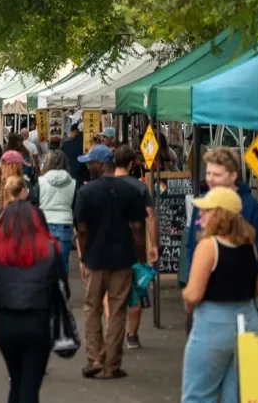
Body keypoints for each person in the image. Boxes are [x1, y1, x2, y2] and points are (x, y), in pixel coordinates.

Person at [181, 187, 258, 403]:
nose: (201, 215)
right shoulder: (253, 246)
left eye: (207, 211)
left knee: (199, 394)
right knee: (237, 393)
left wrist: (187, 302)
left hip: (213, 323)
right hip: (247, 320)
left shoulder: (209, 246)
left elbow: (193, 294)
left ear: (220, 214)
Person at [74, 144, 146, 380]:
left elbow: (82, 229)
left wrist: (83, 256)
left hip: (96, 257)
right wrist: (141, 256)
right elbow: (137, 228)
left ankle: (95, 358)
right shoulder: (130, 191)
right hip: (123, 257)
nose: (87, 165)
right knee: (117, 310)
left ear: (101, 164)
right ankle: (112, 363)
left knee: (92, 307)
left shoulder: (86, 192)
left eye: (90, 162)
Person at [0, 200, 66, 403]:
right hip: (38, 322)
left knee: (16, 380)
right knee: (31, 386)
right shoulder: (49, 249)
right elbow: (63, 289)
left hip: (5, 323)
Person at [184, 148, 258, 281]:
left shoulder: (251, 207)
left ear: (233, 176)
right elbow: (191, 245)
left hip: (241, 289)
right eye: (208, 173)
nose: (210, 179)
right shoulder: (201, 203)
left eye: (217, 175)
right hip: (205, 286)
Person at [110, 146, 159, 349]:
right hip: (134, 247)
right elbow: (149, 218)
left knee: (111, 293)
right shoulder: (139, 188)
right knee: (136, 292)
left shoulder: (104, 186)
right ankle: (132, 335)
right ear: (132, 164)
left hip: (109, 246)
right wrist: (153, 244)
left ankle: (113, 333)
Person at [38, 150, 75, 275]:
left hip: (45, 223)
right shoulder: (72, 182)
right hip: (65, 223)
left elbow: (36, 202)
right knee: (63, 261)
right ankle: (62, 291)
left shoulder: (41, 181)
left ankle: (48, 291)